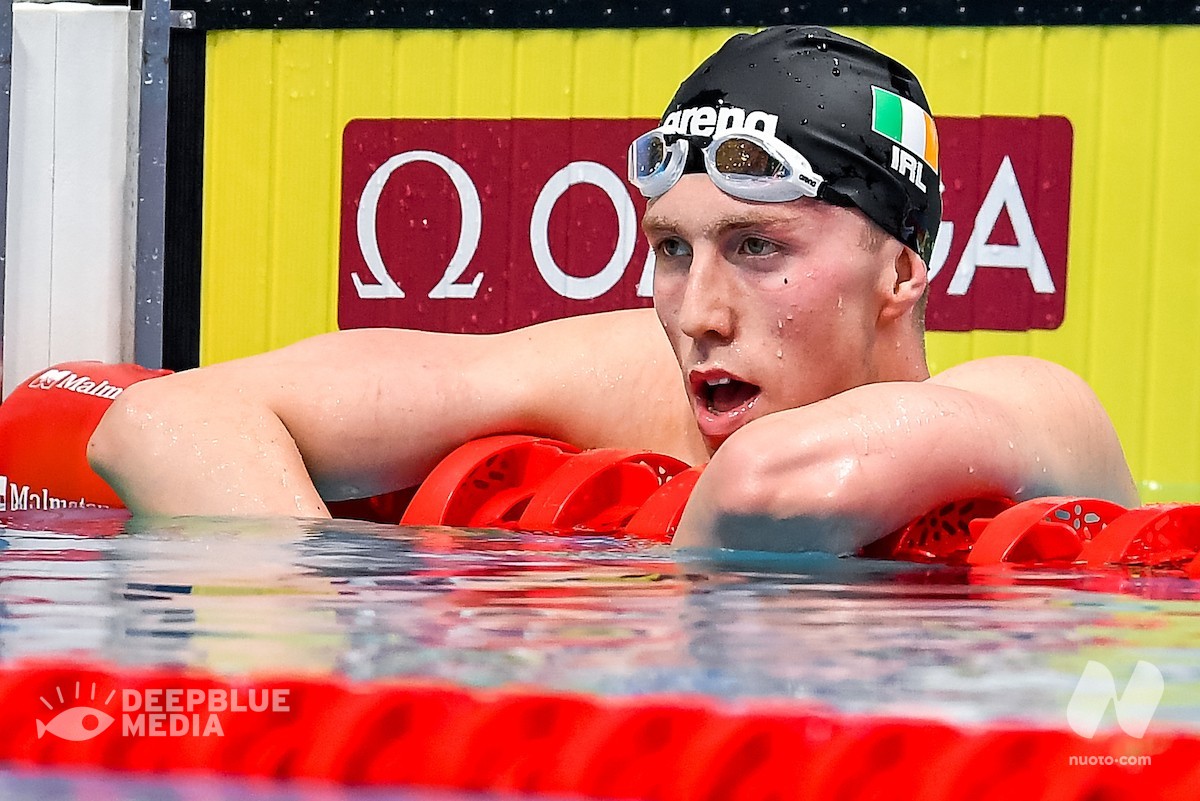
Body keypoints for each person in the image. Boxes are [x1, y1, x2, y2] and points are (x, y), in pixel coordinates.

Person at [86, 25, 1137, 552]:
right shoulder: (634, 371)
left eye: (758, 247)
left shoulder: (1037, 408)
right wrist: (311, 661)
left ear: (904, 269)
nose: (696, 312)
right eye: (673, 250)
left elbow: (780, 489)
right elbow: (168, 417)